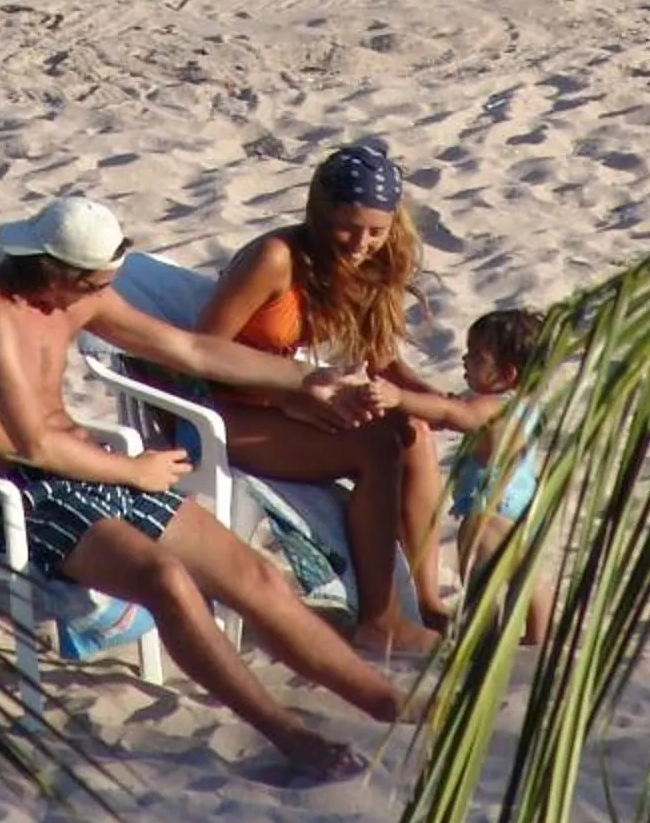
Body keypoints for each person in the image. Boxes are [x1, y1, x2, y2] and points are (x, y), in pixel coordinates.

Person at [0, 191, 414, 784]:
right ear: (58, 272)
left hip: (88, 468)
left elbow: (189, 349)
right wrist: (135, 471)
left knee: (257, 577)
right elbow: (33, 445)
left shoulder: (77, 294)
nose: (104, 294)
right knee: (167, 581)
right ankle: (289, 735)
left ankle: (387, 702)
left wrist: (305, 379)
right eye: (96, 284)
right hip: (17, 495)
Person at [194, 139, 478, 650]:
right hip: (219, 409)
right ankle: (380, 619)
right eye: (348, 226)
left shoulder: (367, 262)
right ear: (321, 211)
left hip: (284, 401)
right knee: (376, 449)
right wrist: (291, 399)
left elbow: (381, 358)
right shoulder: (275, 259)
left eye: (376, 230)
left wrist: (438, 402)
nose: (360, 242)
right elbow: (201, 356)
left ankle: (424, 603)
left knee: (412, 433)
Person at [443, 307, 552, 645]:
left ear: (506, 374)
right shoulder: (527, 405)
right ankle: (538, 636)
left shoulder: (490, 407)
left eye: (476, 355)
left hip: (489, 506)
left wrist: (400, 399)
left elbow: (451, 414)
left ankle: (483, 636)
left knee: (479, 576)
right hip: (525, 504)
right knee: (528, 575)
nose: (464, 359)